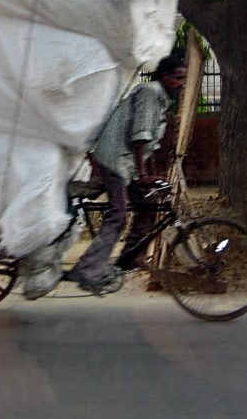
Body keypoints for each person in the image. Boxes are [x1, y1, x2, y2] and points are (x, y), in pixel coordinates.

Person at [63, 55, 187, 294]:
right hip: (115, 160)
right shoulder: (150, 93)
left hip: (127, 162)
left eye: (184, 78)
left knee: (149, 201)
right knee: (118, 214)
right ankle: (87, 269)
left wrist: (148, 176)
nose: (182, 82)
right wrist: (142, 174)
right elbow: (139, 135)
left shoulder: (161, 99)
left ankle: (130, 258)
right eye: (178, 77)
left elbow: (148, 144)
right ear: (165, 76)